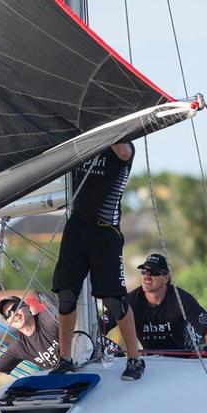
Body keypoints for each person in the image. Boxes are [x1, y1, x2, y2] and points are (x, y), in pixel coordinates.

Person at [51, 143, 145, 380]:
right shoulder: (81, 145)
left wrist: (101, 126)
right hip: (76, 228)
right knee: (66, 295)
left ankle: (135, 359)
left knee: (113, 300)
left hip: (105, 231)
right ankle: (65, 359)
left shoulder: (122, 146)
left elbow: (124, 152)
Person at [102, 253, 207, 353]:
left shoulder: (181, 299)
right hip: (152, 364)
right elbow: (99, 327)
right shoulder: (131, 301)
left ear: (166, 278)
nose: (147, 276)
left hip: (185, 362)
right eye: (144, 271)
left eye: (153, 272)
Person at [0, 296, 60, 383]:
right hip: (61, 380)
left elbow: (70, 314)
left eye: (15, 307)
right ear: (8, 323)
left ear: (27, 307)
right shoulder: (19, 347)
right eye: (8, 315)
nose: (14, 314)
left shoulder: (49, 319)